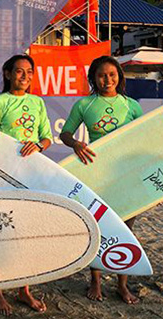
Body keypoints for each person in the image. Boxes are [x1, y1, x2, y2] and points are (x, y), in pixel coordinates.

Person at [60, 55, 142, 304]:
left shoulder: (132, 105)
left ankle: (122, 284)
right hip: (97, 173)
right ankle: (95, 281)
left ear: (120, 76)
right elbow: (65, 133)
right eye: (102, 75)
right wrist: (75, 144)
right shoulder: (85, 104)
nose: (107, 80)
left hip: (125, 174)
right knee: (98, 227)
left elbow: (145, 136)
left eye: (112, 74)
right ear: (94, 79)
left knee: (126, 228)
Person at [0, 54, 53, 316]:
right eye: (19, 72)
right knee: (1, 233)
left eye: (29, 72)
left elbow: (47, 137)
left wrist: (39, 145)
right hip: (3, 175)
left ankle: (24, 289)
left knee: (26, 234)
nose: (25, 76)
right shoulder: (0, 102)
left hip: (29, 177)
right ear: (8, 74)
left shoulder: (37, 102)